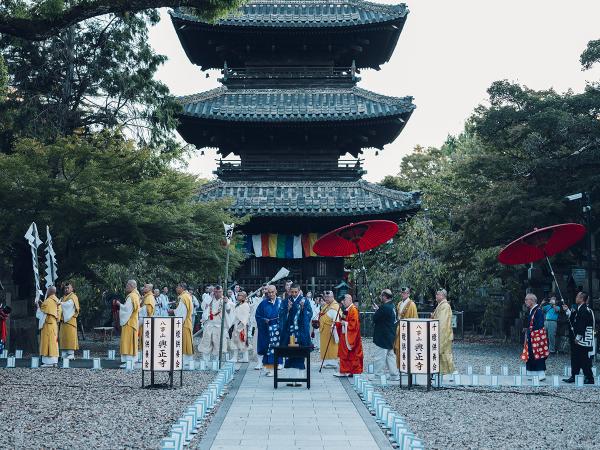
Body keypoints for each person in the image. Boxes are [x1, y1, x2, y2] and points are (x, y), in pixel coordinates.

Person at [279, 283, 312, 386]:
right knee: (289, 354)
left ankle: (298, 379)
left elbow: (309, 314)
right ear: (289, 291)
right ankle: (289, 379)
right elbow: (281, 315)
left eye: (295, 292)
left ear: (299, 291)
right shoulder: (286, 301)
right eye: (291, 292)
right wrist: (287, 310)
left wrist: (303, 309)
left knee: (299, 355)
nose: (293, 294)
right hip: (289, 331)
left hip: (300, 332)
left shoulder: (304, 301)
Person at [563, 292, 595, 384]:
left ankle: (589, 377)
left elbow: (582, 325)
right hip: (579, 337)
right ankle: (574, 375)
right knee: (576, 357)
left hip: (582, 338)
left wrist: (578, 337)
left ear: (581, 299)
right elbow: (574, 319)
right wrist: (567, 310)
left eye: (577, 297)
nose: (576, 298)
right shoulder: (580, 309)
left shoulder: (585, 310)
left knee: (584, 358)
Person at [372, 289, 399, 381]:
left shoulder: (384, 307)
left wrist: (377, 311)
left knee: (380, 357)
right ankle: (394, 375)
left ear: (384, 296)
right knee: (390, 356)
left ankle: (378, 375)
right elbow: (384, 316)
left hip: (383, 336)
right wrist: (378, 309)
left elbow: (375, 318)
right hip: (390, 334)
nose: (380, 297)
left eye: (381, 295)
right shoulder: (392, 306)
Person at [255, 285, 283, 376]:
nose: (271, 294)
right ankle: (269, 368)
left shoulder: (281, 302)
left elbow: (286, 315)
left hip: (278, 331)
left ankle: (274, 368)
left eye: (272, 292)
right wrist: (264, 320)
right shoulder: (263, 303)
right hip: (267, 330)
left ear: (276, 292)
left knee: (276, 349)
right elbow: (257, 315)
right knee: (268, 349)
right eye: (269, 292)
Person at [198, 285, 230, 362]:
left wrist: (227, 303)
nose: (218, 293)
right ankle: (205, 361)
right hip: (209, 324)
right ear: (214, 292)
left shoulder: (224, 300)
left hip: (219, 326)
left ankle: (216, 361)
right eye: (216, 292)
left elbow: (229, 311)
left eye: (220, 292)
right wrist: (209, 297)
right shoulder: (209, 299)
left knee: (218, 344)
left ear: (222, 292)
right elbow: (203, 307)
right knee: (206, 343)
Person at [334, 294, 363, 377]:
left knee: (352, 354)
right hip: (345, 334)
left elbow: (354, 324)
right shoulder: (346, 310)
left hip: (351, 335)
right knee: (344, 353)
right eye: (343, 300)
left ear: (350, 300)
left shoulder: (353, 310)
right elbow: (343, 320)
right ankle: (344, 370)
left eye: (345, 300)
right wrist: (337, 324)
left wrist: (345, 323)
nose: (343, 302)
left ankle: (351, 370)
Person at [521, 293, 547, 381]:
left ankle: (541, 373)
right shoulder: (532, 310)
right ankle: (533, 373)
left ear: (532, 300)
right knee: (531, 354)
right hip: (532, 336)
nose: (525, 302)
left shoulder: (538, 310)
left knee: (538, 354)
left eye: (526, 300)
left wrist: (531, 330)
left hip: (536, 337)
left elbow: (540, 324)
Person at [115, 280, 140, 368]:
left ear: (132, 286)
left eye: (127, 285)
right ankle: (130, 361)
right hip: (133, 322)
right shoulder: (136, 295)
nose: (126, 287)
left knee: (128, 341)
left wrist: (119, 304)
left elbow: (127, 309)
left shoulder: (132, 296)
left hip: (129, 322)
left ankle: (129, 361)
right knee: (131, 341)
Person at [170, 282, 195, 369]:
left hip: (184, 323)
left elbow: (181, 312)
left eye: (178, 287)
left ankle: (184, 361)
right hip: (187, 321)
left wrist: (173, 311)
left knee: (184, 341)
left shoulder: (183, 297)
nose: (176, 289)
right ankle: (186, 360)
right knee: (187, 340)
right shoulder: (187, 296)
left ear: (182, 288)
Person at [431, 289, 455, 375]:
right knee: (442, 353)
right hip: (443, 333)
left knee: (445, 353)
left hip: (444, 333)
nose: (436, 296)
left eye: (438, 295)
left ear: (443, 296)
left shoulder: (445, 306)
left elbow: (442, 322)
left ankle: (452, 372)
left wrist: (439, 334)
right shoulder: (441, 305)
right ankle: (444, 372)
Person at [35, 286, 61, 367]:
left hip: (47, 325)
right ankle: (54, 362)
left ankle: (48, 363)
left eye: (47, 291)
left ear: (49, 292)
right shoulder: (57, 300)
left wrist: (37, 305)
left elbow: (41, 314)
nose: (46, 292)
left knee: (48, 342)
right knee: (54, 342)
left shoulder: (48, 301)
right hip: (54, 324)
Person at [394, 286, 418, 370]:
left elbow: (414, 318)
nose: (402, 294)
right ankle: (399, 366)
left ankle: (408, 366)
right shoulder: (399, 303)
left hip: (408, 330)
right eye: (402, 293)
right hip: (399, 328)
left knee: (407, 348)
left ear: (408, 294)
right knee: (398, 347)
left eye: (404, 293)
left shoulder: (412, 304)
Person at [319, 291, 340, 369]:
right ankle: (326, 361)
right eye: (326, 297)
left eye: (329, 297)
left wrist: (334, 328)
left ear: (333, 297)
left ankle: (333, 362)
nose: (327, 299)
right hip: (324, 329)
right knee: (324, 346)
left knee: (331, 346)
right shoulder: (327, 305)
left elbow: (336, 319)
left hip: (330, 329)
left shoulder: (335, 306)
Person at [59, 282, 80, 360]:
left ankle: (71, 354)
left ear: (72, 289)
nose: (66, 289)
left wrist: (60, 303)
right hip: (63, 321)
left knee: (70, 337)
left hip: (70, 321)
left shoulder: (73, 296)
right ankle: (64, 353)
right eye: (65, 288)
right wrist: (60, 303)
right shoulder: (62, 297)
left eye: (68, 288)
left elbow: (68, 305)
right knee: (63, 336)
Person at [229, 291, 250, 363]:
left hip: (241, 326)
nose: (238, 296)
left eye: (240, 295)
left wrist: (239, 327)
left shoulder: (245, 305)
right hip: (236, 324)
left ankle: (242, 357)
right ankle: (239, 357)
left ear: (244, 297)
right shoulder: (238, 305)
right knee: (235, 341)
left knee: (242, 342)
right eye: (238, 295)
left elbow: (244, 318)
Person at [250, 284, 268, 370]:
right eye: (263, 289)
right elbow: (254, 313)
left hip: (270, 326)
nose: (265, 291)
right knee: (257, 343)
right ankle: (259, 362)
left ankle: (270, 362)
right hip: (259, 325)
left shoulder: (276, 300)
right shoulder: (257, 300)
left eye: (266, 289)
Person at [138, 283, 155, 348]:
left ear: (150, 289)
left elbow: (148, 311)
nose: (144, 288)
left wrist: (138, 310)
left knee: (145, 339)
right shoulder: (146, 296)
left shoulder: (150, 298)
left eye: (145, 287)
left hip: (146, 322)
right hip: (144, 322)